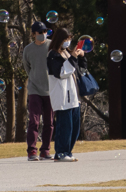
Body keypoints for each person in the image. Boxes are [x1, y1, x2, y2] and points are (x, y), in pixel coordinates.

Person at [45, 28, 85, 162]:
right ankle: (60, 153)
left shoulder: (67, 53)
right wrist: (73, 57)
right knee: (65, 126)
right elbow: (61, 73)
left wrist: (81, 57)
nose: (68, 42)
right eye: (65, 39)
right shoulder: (52, 55)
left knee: (74, 127)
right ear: (59, 40)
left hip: (74, 96)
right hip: (62, 97)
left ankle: (68, 151)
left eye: (69, 39)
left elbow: (80, 70)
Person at [23, 21, 53, 161]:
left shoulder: (52, 45)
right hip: (34, 88)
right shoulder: (28, 49)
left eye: (45, 31)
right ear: (34, 34)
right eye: (40, 32)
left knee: (49, 122)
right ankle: (32, 151)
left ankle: (45, 150)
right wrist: (35, 77)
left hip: (50, 89)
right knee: (34, 121)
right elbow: (27, 67)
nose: (43, 34)